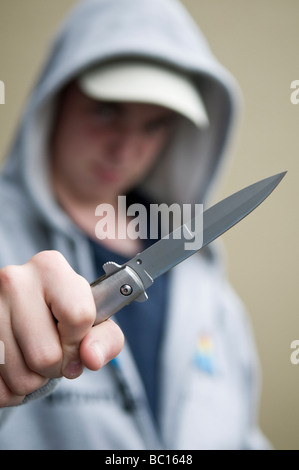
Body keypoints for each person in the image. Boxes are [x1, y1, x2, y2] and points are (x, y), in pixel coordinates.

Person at [0, 0, 270, 449]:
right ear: (57, 97)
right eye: (108, 111)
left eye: (154, 125)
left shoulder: (203, 277)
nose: (126, 148)